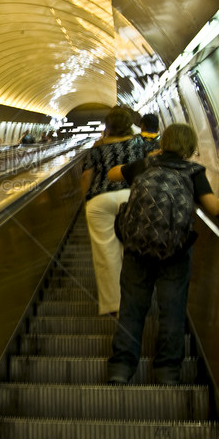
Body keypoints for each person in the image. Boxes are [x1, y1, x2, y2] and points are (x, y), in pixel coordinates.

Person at [105, 123, 219, 384]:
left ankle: (121, 368)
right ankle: (167, 372)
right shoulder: (194, 171)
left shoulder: (146, 166)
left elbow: (112, 174)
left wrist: (144, 160)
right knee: (171, 308)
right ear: (190, 146)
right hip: (175, 251)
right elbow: (213, 207)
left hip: (137, 247)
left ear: (164, 143)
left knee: (132, 307)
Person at [80, 107, 146, 316]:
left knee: (105, 253)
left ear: (108, 126)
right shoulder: (139, 144)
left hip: (100, 199)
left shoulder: (97, 148)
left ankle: (113, 305)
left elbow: (86, 176)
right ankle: (136, 302)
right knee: (134, 250)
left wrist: (86, 200)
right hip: (132, 196)